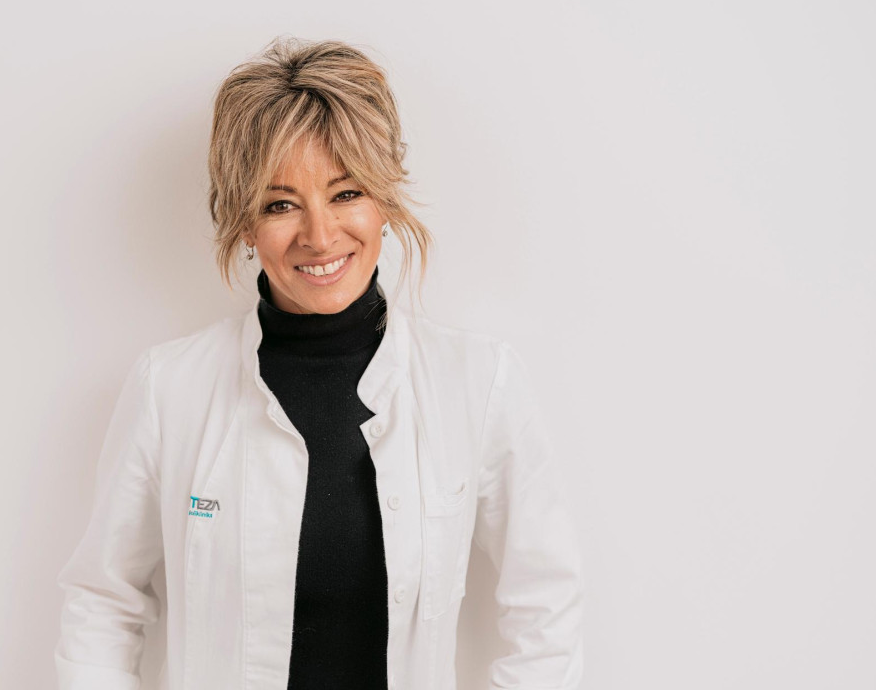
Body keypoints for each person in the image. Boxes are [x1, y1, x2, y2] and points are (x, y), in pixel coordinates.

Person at [54, 37, 585, 690]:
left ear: (384, 201)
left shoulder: (478, 381)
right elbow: (103, 603)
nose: (320, 234)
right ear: (244, 223)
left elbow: (546, 609)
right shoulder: (170, 389)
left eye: (346, 192)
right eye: (280, 204)